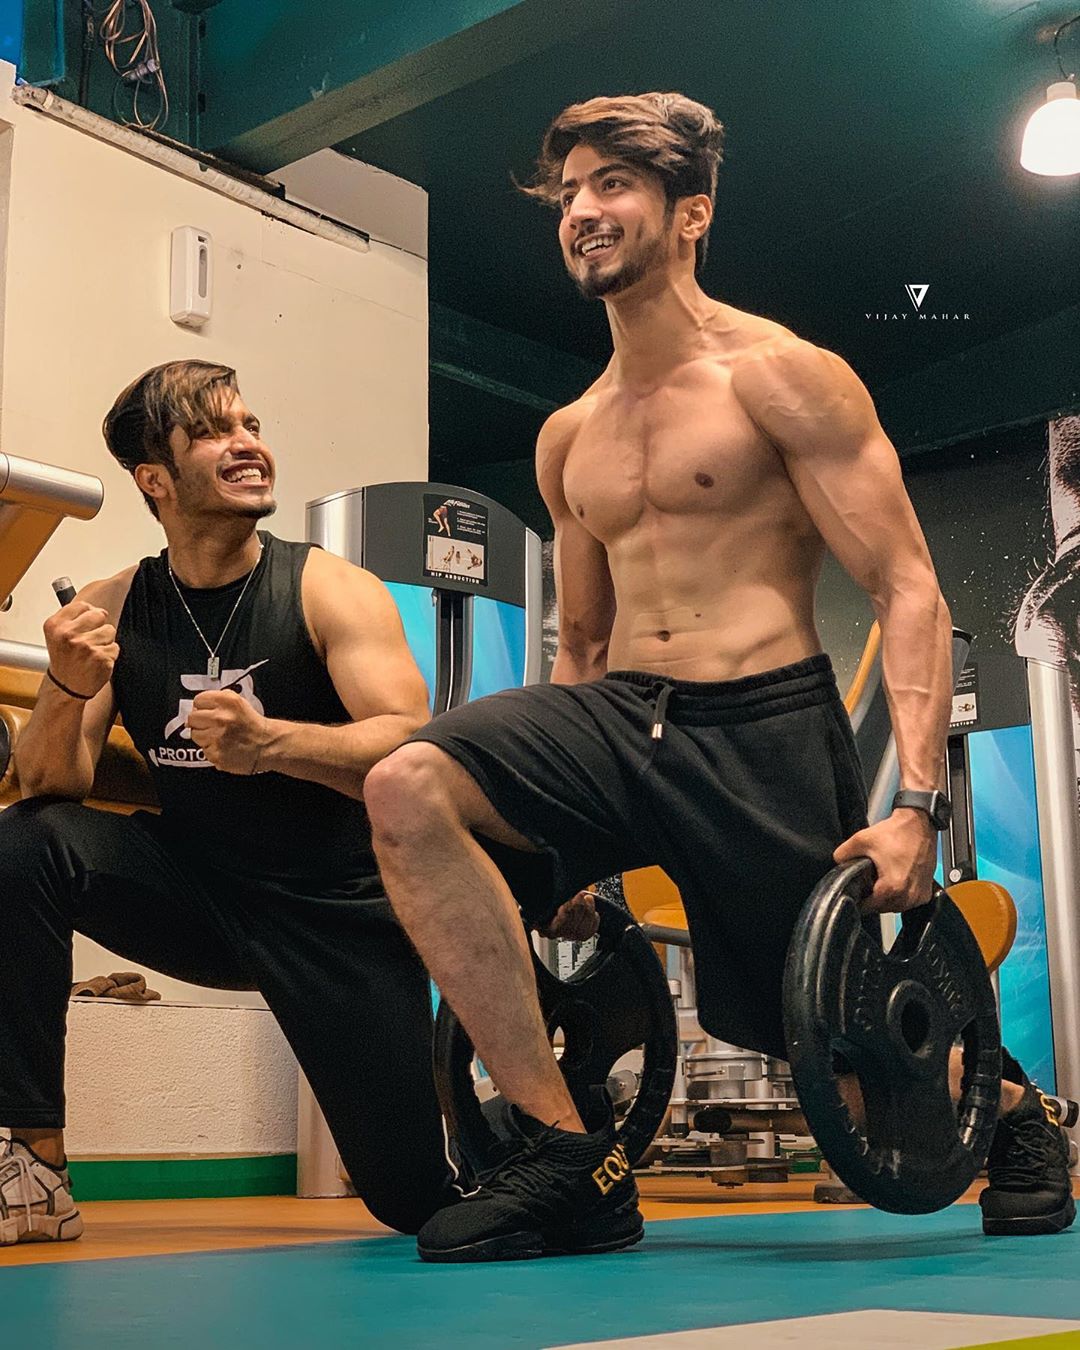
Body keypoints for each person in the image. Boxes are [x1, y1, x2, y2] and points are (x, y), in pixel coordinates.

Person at [364, 93, 1075, 1263]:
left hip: (760, 723)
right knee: (407, 786)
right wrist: (571, 850)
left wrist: (915, 809)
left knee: (832, 1044)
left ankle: (1009, 1114)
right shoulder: (568, 435)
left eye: (613, 185)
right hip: (619, 711)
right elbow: (580, 644)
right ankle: (567, 1156)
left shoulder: (781, 377)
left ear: (691, 212)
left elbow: (907, 587)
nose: (582, 211)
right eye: (570, 193)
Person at [0, 359, 461, 1244]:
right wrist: (66, 683)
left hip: (335, 914)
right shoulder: (113, 604)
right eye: (213, 432)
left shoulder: (328, 588)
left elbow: (412, 741)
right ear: (155, 479)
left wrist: (271, 744)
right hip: (198, 896)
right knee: (24, 842)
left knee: (414, 1203)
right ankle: (34, 1164)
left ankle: (508, 1148)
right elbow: (52, 785)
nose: (247, 444)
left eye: (249, 425)